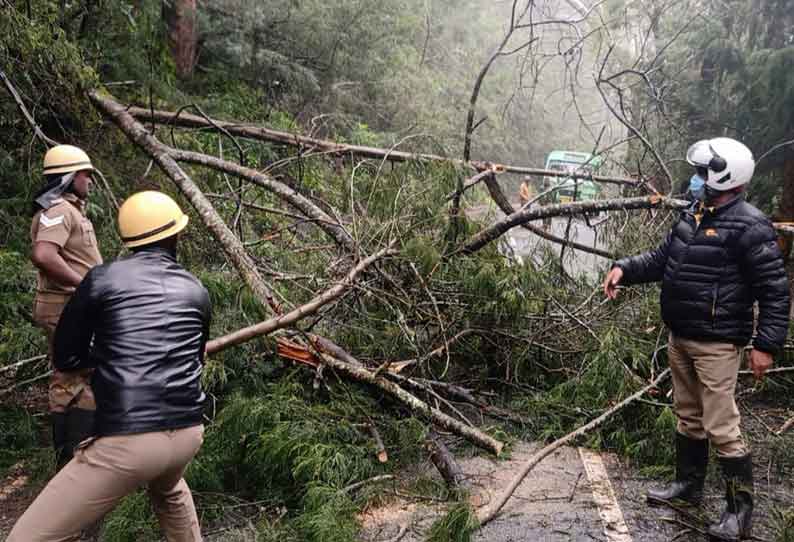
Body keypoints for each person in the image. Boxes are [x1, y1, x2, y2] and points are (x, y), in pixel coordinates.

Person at [603, 138, 790, 541]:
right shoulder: (693, 213)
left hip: (718, 344)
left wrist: (766, 345)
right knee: (688, 416)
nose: (698, 179)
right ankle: (687, 488)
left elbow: (775, 289)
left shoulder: (750, 225)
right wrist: (623, 268)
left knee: (721, 425)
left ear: (727, 176)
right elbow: (661, 258)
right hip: (681, 335)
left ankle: (739, 514)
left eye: (705, 173)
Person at [9, 191, 211, 542]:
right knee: (169, 490)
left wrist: (105, 358)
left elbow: (67, 357)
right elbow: (196, 357)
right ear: (175, 235)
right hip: (188, 432)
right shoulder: (196, 289)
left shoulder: (102, 279)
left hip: (130, 439)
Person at [30, 144, 103, 470]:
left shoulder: (71, 210)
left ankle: (71, 462)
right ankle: (76, 463)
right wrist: (84, 286)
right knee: (80, 376)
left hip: (72, 307)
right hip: (66, 308)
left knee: (69, 377)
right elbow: (44, 255)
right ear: (69, 176)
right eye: (85, 173)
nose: (90, 180)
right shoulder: (57, 209)